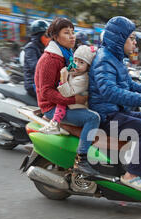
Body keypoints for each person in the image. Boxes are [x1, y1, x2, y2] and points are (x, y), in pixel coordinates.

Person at [89, 16, 141, 192]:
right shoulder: (104, 59)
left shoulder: (116, 59)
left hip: (116, 111)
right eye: (132, 38)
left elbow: (130, 84)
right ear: (120, 38)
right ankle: (131, 176)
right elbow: (109, 91)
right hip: (107, 115)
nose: (135, 43)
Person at [34, 17, 99, 176]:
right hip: (53, 108)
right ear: (55, 36)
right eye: (66, 33)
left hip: (65, 103)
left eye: (73, 32)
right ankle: (81, 161)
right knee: (93, 118)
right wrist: (74, 100)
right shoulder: (50, 59)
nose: (72, 36)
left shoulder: (68, 54)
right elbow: (46, 92)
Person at [40, 44, 97, 135]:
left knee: (62, 101)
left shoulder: (83, 79)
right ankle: (54, 123)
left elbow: (67, 93)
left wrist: (63, 78)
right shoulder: (76, 72)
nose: (77, 65)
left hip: (76, 107)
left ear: (88, 66)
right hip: (70, 104)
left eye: (81, 62)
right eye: (75, 60)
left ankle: (55, 124)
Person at [24, 19, 50, 98]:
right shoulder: (30, 48)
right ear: (38, 36)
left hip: (43, 83)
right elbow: (35, 67)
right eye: (46, 35)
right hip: (33, 84)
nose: (49, 38)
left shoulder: (45, 48)